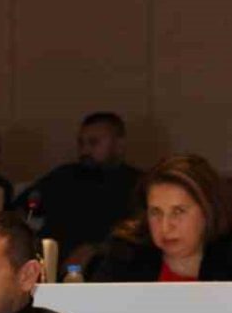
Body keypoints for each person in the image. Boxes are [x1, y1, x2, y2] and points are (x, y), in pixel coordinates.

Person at [88, 154, 232, 282]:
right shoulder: (127, 248)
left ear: (208, 210)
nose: (165, 227)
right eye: (156, 212)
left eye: (178, 212)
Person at [11, 112, 142, 266]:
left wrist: (96, 249)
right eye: (81, 143)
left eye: (93, 143)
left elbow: (142, 239)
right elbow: (21, 209)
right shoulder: (63, 176)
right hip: (48, 267)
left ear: (119, 145)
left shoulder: (136, 184)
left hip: (104, 269)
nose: (85, 151)